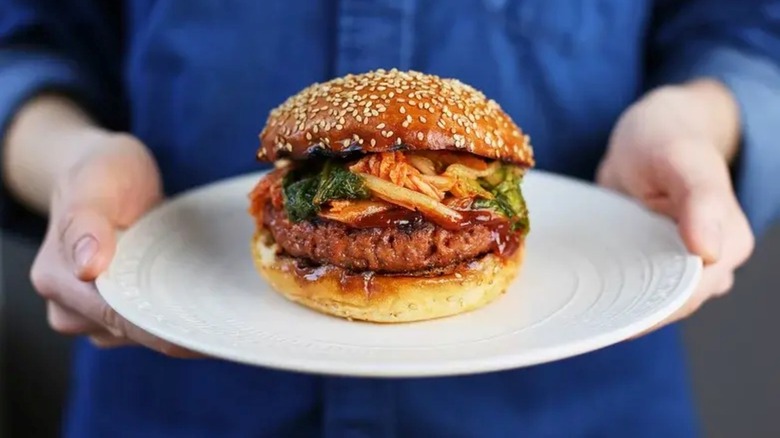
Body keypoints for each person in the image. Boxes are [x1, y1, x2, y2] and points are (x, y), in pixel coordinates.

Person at [1, 1, 778, 436]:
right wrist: (69, 156)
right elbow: (26, 41)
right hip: (175, 397)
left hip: (580, 408)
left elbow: (746, 30)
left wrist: (698, 118)